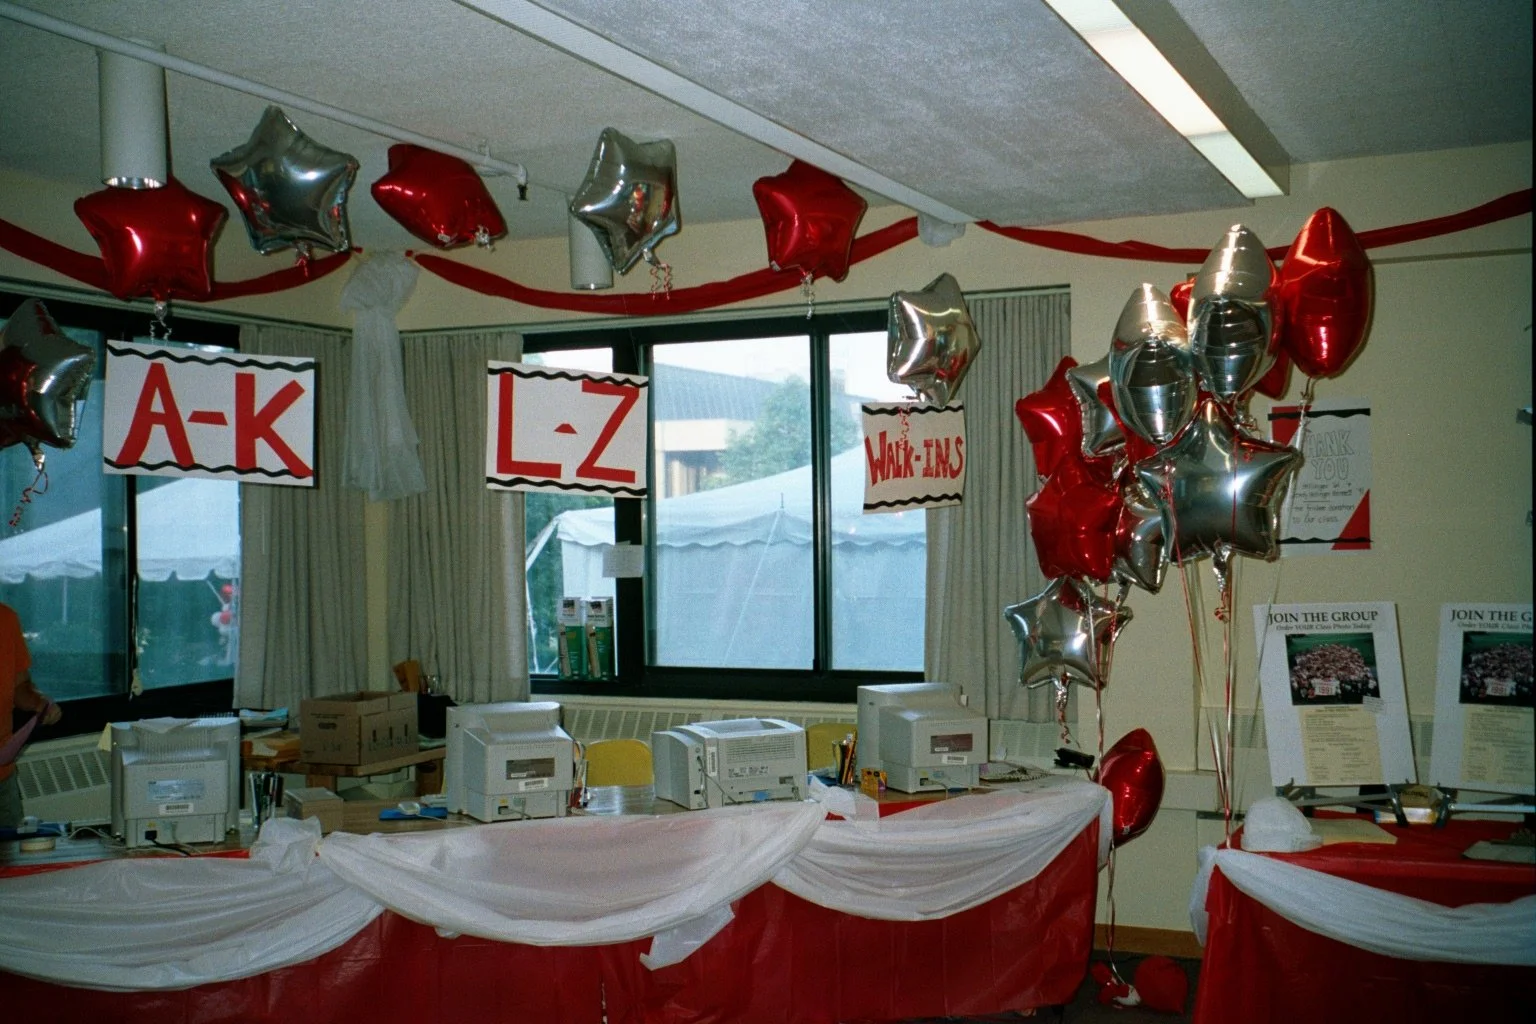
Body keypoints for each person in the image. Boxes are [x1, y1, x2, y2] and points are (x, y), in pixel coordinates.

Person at [1, 602, 62, 828]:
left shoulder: (6, 619)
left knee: (10, 860)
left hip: (2, 779)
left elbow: (19, 686)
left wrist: (39, 702)